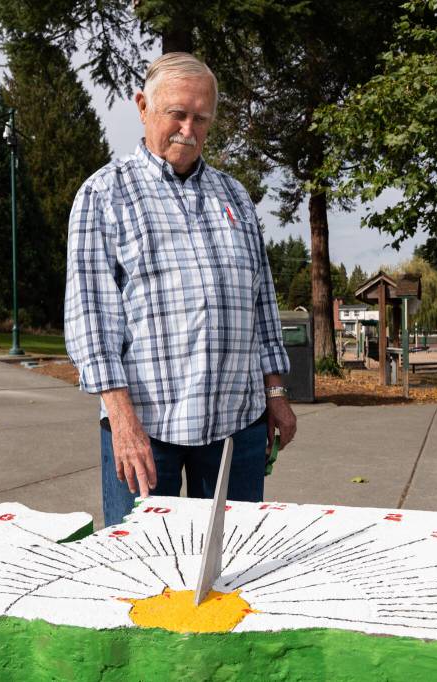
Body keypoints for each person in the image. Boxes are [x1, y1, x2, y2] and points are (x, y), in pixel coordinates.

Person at [65, 52, 297, 527]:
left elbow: (261, 301)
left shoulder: (233, 196)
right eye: (177, 114)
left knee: (234, 568)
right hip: (148, 432)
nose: (188, 130)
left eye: (201, 118)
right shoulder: (103, 194)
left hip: (238, 425)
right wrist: (122, 423)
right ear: (143, 106)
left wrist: (275, 391)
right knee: (145, 574)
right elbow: (91, 320)